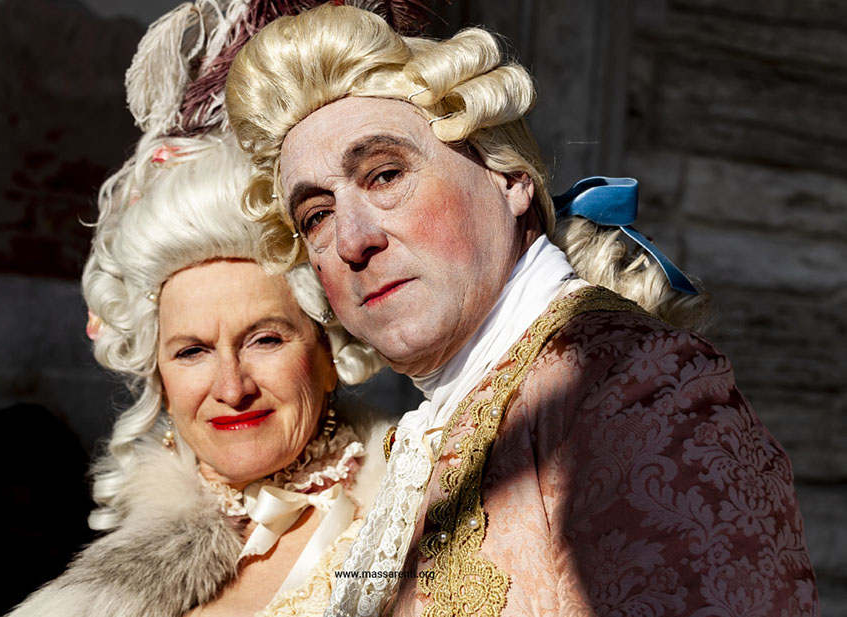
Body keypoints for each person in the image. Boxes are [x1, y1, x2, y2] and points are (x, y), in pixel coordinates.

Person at [224, 5, 819, 616]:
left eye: (384, 175)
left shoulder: (629, 383)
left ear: (508, 177)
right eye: (317, 216)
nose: (352, 241)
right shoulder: (437, 427)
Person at [6, 3, 416, 616]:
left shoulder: (428, 519)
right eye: (192, 351)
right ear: (159, 379)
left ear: (329, 354)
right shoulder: (86, 604)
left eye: (265, 339)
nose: (231, 387)